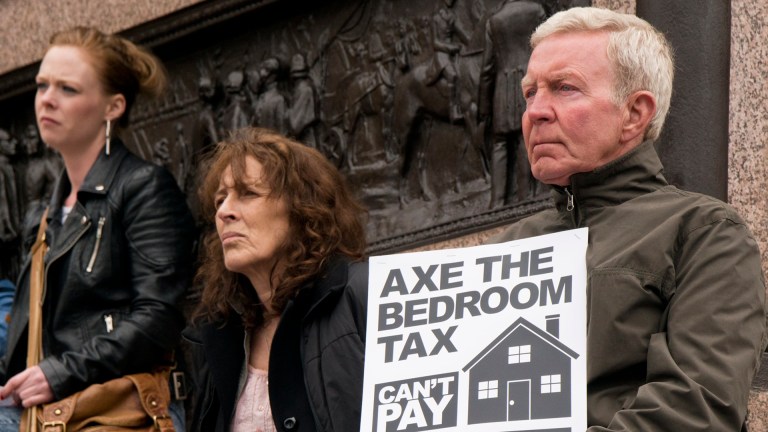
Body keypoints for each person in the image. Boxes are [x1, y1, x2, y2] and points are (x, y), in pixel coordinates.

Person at [490, 7, 767, 431]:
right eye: (530, 93)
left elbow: (696, 409)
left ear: (635, 113)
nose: (535, 112)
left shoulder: (704, 233)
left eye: (565, 88)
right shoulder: (508, 248)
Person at [0, 26, 196, 430]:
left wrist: (59, 372)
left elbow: (158, 317)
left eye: (67, 89)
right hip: (44, 413)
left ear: (113, 107)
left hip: (113, 409)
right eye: (41, 86)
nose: (46, 100)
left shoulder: (142, 187)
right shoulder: (41, 216)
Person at [185, 127, 368, 432]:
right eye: (220, 200)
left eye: (248, 194)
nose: (224, 212)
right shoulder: (219, 334)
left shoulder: (359, 297)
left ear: (302, 210)